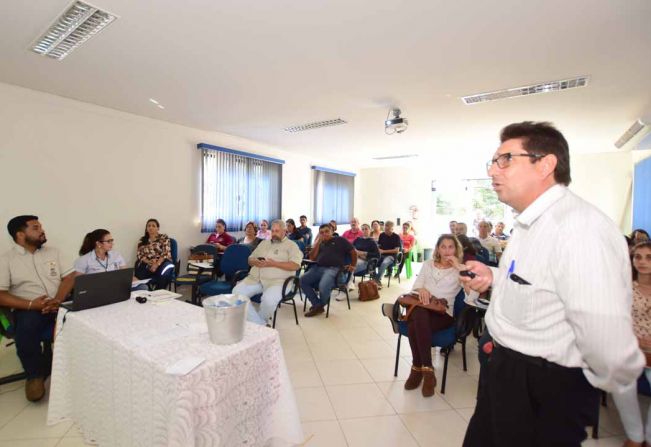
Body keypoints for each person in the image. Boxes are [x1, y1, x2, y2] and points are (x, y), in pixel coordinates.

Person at [462, 121, 644, 446]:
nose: (492, 171)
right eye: (492, 161)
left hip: (542, 386)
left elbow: (607, 343)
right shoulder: (531, 223)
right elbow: (535, 284)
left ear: (545, 164)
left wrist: (624, 418)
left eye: (505, 159)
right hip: (504, 372)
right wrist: (495, 279)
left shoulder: (578, 230)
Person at [0, 215, 76, 402]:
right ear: (20, 235)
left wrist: (58, 299)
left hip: (59, 303)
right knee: (27, 327)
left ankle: (79, 368)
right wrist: (33, 304)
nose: (42, 230)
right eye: (35, 228)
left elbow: (70, 277)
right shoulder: (6, 260)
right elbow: (1, 294)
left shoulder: (54, 252)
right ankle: (34, 375)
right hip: (29, 308)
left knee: (88, 317)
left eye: (41, 226)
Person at [404, 234, 473, 397]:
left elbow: (472, 296)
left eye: (451, 247)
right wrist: (422, 290)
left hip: (443, 314)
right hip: (421, 307)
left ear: (456, 249)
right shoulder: (428, 264)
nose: (447, 250)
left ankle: (417, 368)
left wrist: (459, 268)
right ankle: (427, 369)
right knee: (419, 315)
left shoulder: (461, 270)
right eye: (443, 246)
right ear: (438, 249)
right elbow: (416, 286)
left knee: (415, 323)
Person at [611, 241, 651, 447]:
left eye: (648, 257)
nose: (642, 262)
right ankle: (635, 436)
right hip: (629, 344)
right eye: (638, 257)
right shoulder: (624, 286)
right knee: (621, 385)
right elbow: (615, 317)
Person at [233, 220, 303, 325]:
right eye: (273, 231)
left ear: (284, 231)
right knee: (237, 293)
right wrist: (255, 261)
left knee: (268, 300)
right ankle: (260, 324)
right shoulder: (264, 243)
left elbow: (296, 265)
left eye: (277, 231)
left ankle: (257, 324)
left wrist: (275, 264)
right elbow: (250, 259)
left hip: (279, 282)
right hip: (256, 279)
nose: (274, 233)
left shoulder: (291, 246)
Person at [300, 224, 356, 317]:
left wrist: (353, 265)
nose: (324, 234)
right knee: (302, 280)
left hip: (334, 269)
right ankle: (318, 305)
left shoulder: (340, 240)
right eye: (321, 232)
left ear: (332, 232)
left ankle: (319, 306)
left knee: (323, 285)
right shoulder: (320, 243)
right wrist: (318, 243)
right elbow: (312, 257)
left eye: (327, 231)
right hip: (318, 267)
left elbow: (353, 252)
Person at [135, 218, 174, 289]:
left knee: (167, 268)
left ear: (158, 228)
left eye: (153, 226)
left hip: (162, 262)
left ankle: (158, 291)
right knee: (138, 265)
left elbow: (165, 252)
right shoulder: (142, 240)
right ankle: (147, 290)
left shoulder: (163, 237)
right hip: (148, 263)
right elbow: (139, 254)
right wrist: (149, 262)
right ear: (146, 229)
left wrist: (156, 264)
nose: (151, 227)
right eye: (149, 226)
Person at [375, 220, 402, 287]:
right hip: (381, 255)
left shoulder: (396, 237)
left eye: (388, 229)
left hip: (392, 256)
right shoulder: (382, 235)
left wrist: (384, 251)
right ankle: (375, 277)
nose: (386, 231)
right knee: (372, 260)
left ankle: (376, 280)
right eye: (385, 229)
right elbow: (379, 245)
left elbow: (396, 250)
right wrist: (377, 248)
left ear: (392, 229)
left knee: (384, 263)